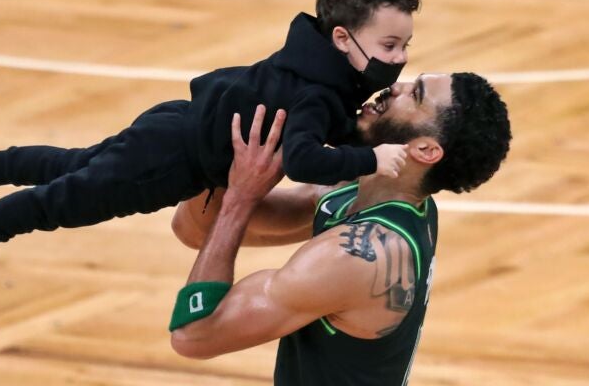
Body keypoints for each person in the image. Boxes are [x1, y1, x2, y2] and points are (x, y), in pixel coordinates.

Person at [0, 0, 419, 316]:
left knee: (76, 166)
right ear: (342, 38)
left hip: (175, 123)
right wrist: (370, 160)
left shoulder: (313, 63)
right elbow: (306, 159)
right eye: (390, 45)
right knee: (63, 201)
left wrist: (361, 146)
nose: (398, 58)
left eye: (404, 46)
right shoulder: (319, 91)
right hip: (171, 163)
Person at [169, 72, 512, 385]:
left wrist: (240, 197)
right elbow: (196, 230)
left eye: (416, 95)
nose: (396, 86)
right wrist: (217, 154)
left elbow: (194, 335)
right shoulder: (368, 190)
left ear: (425, 150)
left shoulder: (359, 257)